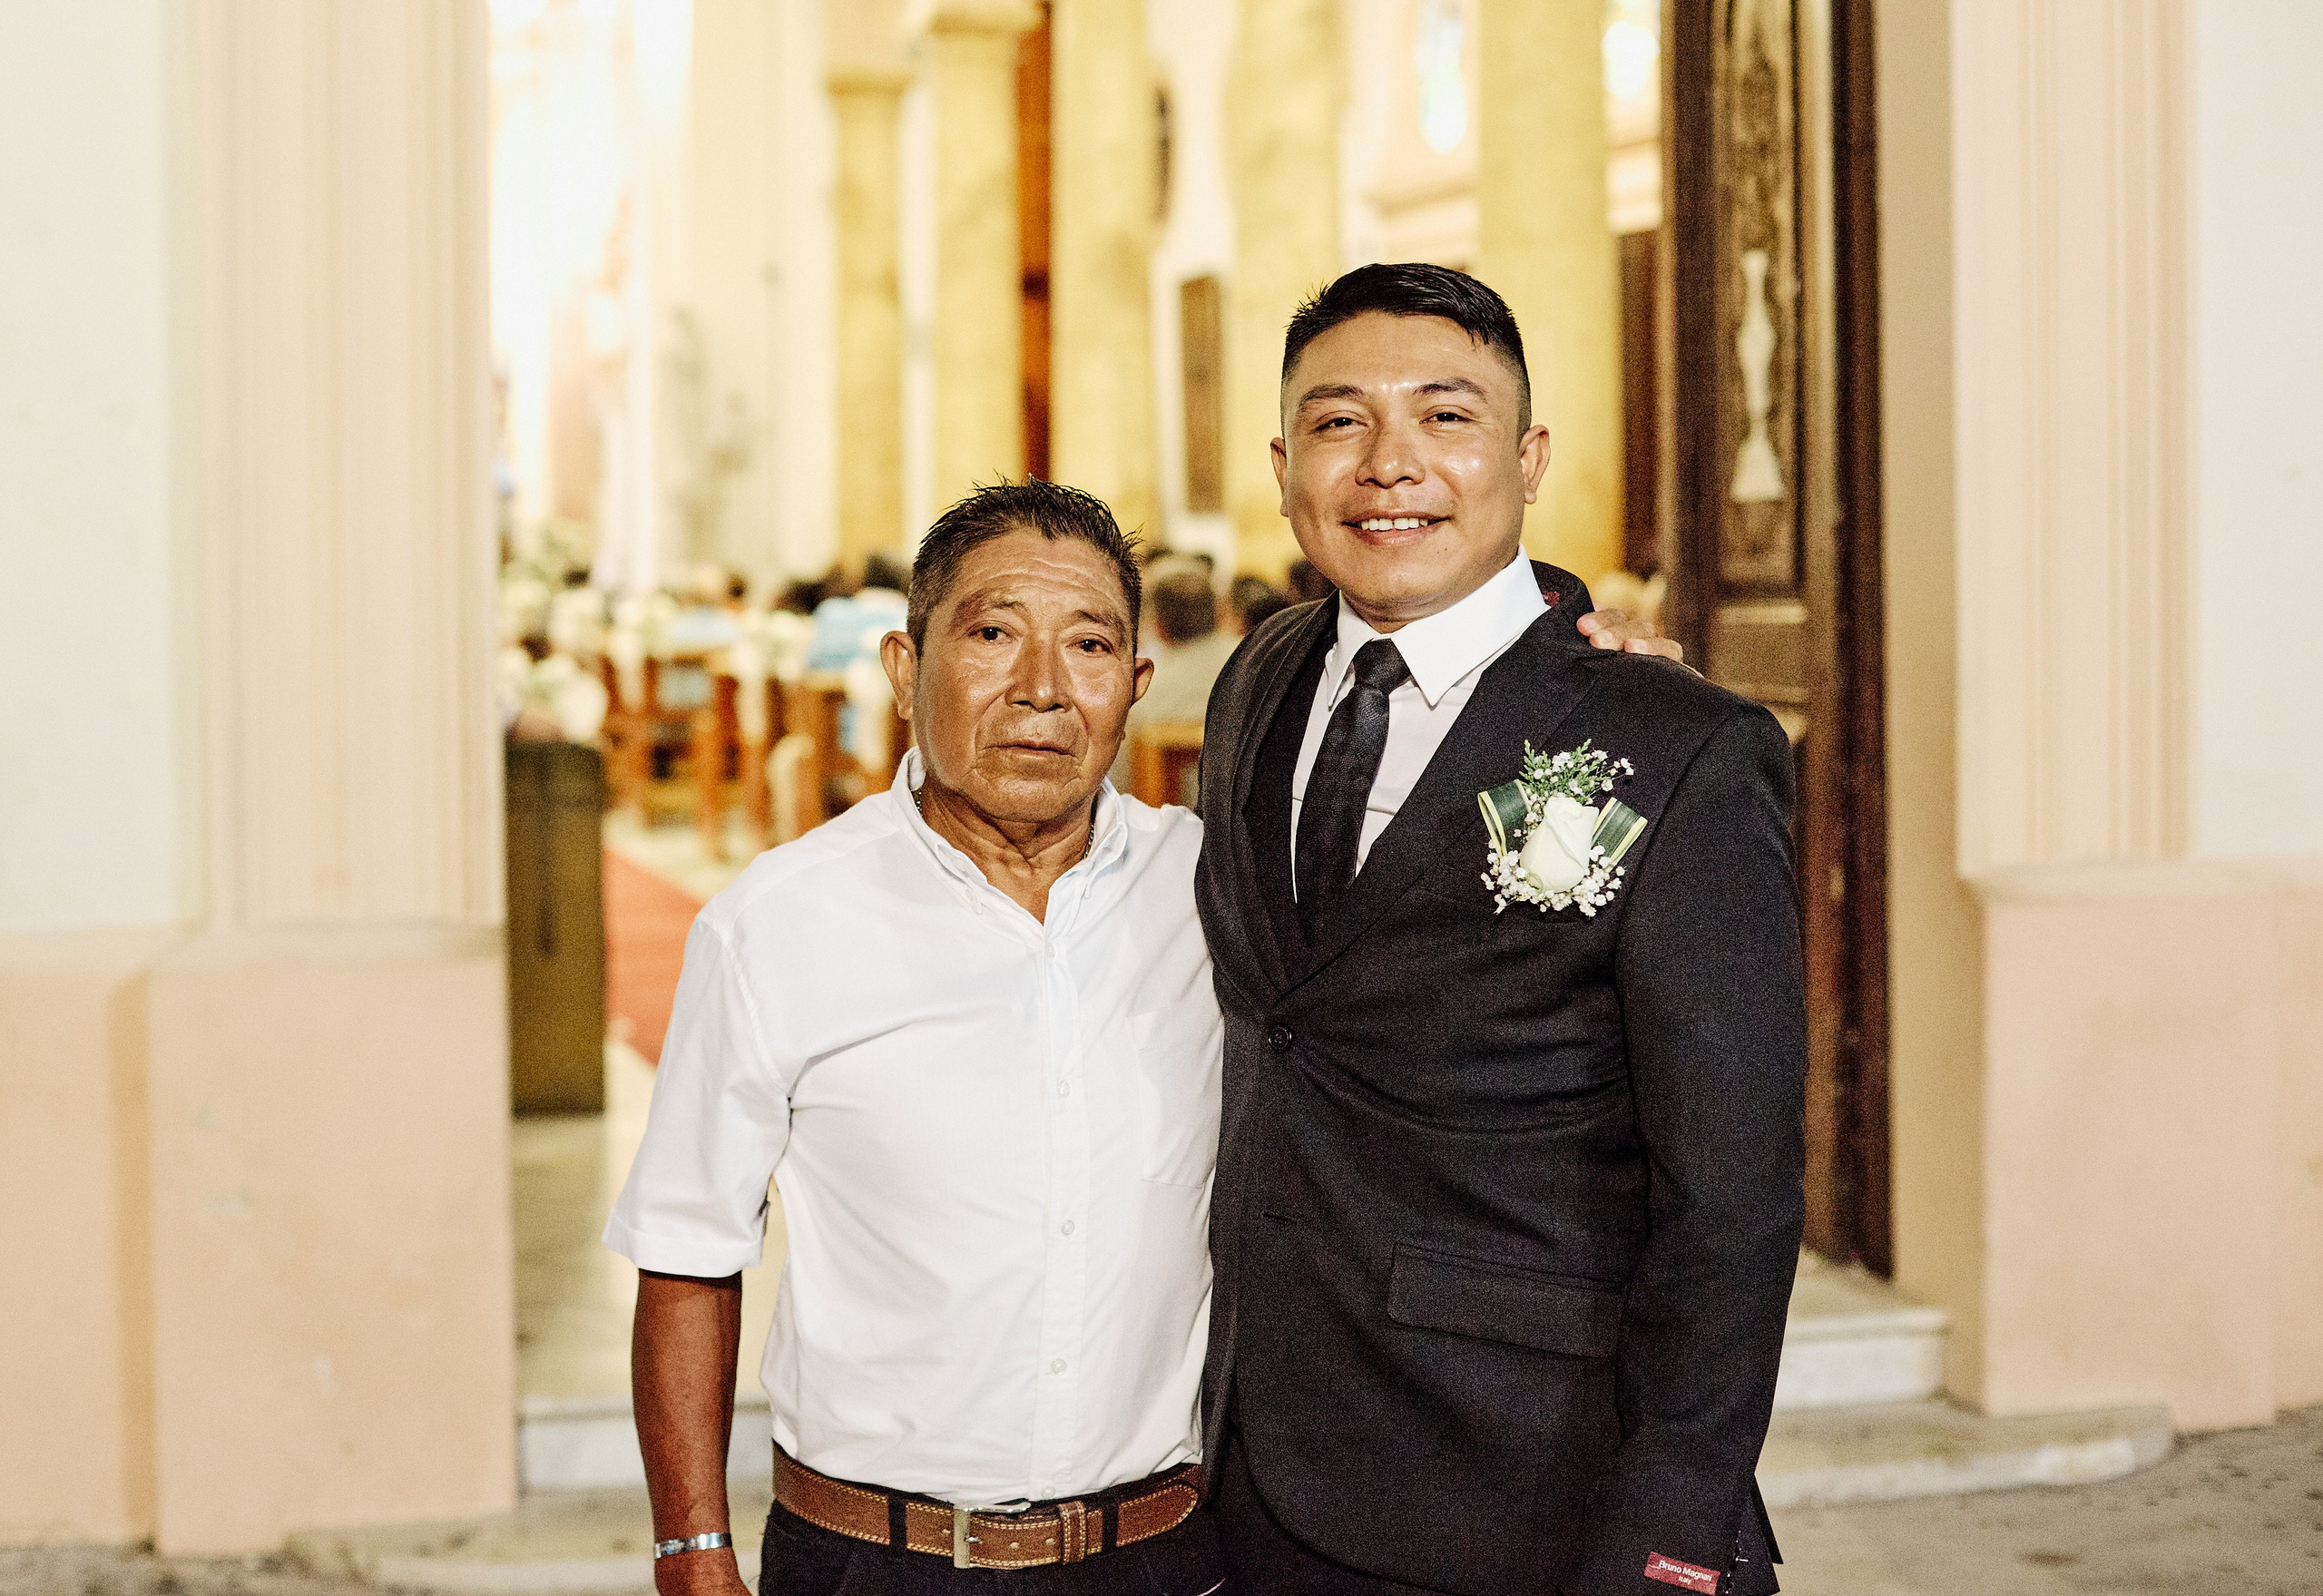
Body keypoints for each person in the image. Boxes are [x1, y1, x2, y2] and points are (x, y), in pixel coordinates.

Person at [608, 496, 1681, 1594]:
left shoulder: (1224, 891)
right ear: (901, 664)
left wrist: (1602, 695)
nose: (1040, 686)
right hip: (879, 1559)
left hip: (1164, 1556)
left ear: (1133, 682)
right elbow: (688, 1246)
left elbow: (1448, 913)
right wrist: (692, 1552)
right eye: (989, 635)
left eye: (1088, 644)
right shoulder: (779, 922)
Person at [1191, 263, 1803, 1594]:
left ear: (1526, 457)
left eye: (1446, 418)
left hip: (1530, 1476)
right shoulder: (1263, 676)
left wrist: (1670, 1526)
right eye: (1341, 421)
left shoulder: (1678, 747)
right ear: (1286, 464)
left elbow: (1733, 1195)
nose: (1390, 463)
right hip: (1258, 1455)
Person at [1109, 561, 1241, 793]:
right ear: (1220, 612)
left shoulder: (1142, 690)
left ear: (1159, 626)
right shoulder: (1256, 664)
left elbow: (1121, 785)